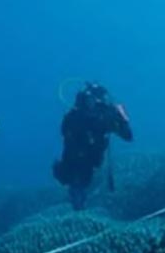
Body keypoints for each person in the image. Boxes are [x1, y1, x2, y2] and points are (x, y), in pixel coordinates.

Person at [52, 82, 132, 210]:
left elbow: (128, 136)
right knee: (77, 186)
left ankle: (83, 204)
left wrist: (123, 118)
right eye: (89, 100)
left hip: (94, 162)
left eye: (95, 100)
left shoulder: (104, 116)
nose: (92, 104)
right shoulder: (74, 118)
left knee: (87, 185)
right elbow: (67, 137)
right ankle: (77, 206)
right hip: (76, 163)